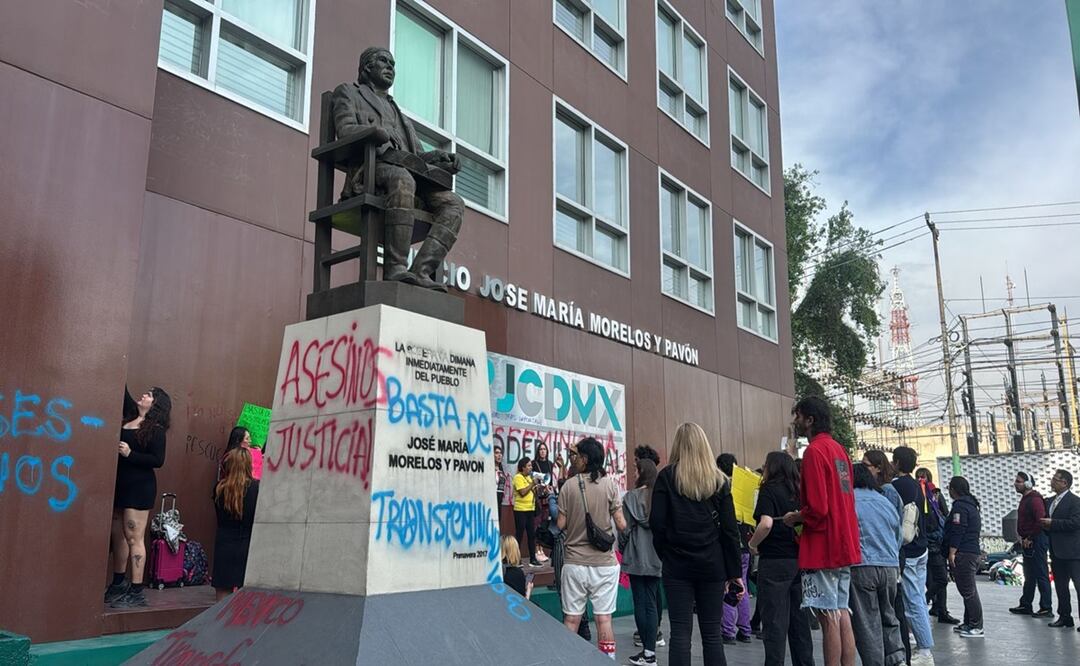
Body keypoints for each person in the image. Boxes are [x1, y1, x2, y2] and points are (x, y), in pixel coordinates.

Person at [331, 47, 463, 290]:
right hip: (371, 170)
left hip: (407, 174)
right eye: (384, 61)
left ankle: (420, 271)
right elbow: (345, 130)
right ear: (367, 67)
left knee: (454, 203)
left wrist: (440, 157)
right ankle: (395, 268)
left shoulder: (399, 113)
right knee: (403, 180)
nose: (391, 67)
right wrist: (376, 133)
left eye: (393, 64)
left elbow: (417, 156)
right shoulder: (349, 92)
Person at [651, 423, 742, 666]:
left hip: (677, 565)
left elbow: (657, 524)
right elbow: (730, 531)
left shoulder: (667, 477)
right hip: (712, 565)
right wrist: (734, 572)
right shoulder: (719, 482)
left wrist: (666, 555)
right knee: (712, 634)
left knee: (680, 633)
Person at [782, 397, 860, 666]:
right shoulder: (839, 450)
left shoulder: (815, 452)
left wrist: (795, 517)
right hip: (845, 542)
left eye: (799, 417)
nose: (796, 422)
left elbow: (818, 507)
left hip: (823, 545)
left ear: (810, 420)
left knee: (828, 617)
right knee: (841, 611)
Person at [557, 437, 626, 660]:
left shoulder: (568, 486)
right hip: (604, 565)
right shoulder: (609, 485)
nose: (572, 459)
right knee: (603, 618)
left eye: (575, 455)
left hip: (574, 563)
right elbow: (621, 523)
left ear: (585, 459)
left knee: (571, 619)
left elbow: (560, 525)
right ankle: (608, 661)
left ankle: (567, 661)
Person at [106, 386, 172, 609]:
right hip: (121, 485)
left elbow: (157, 460)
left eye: (150, 395)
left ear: (156, 405)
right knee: (119, 535)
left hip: (139, 488)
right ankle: (118, 582)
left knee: (134, 536)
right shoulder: (132, 416)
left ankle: (136, 590)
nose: (144, 395)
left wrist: (130, 454)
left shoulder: (156, 429)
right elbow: (123, 392)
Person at [748, 451, 813, 666]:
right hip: (798, 559)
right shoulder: (800, 491)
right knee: (799, 623)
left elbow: (766, 523)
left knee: (774, 623)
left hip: (774, 561)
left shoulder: (768, 490)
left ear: (772, 467)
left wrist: (753, 544)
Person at [849, 464, 905, 666]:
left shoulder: (849, 501)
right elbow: (898, 536)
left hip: (862, 566)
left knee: (868, 624)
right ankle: (896, 660)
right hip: (890, 566)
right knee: (890, 617)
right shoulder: (884, 501)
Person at [890, 446, 935, 665]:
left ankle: (925, 650)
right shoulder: (918, 486)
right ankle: (919, 641)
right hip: (921, 546)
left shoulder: (895, 487)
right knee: (917, 596)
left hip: (907, 550)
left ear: (896, 462)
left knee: (914, 600)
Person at [620, 458, 663, 666]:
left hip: (635, 553)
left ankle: (646, 651)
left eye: (636, 471)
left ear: (642, 472)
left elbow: (624, 529)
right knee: (652, 602)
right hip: (656, 553)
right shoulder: (659, 497)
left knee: (640, 602)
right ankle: (650, 651)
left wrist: (622, 547)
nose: (634, 474)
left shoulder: (630, 497)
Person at [212, 447, 260, 601]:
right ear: (248, 465)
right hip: (246, 543)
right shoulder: (256, 488)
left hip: (224, 543)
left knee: (222, 591)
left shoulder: (219, 488)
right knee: (244, 594)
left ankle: (219, 623)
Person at [717, 453, 752, 644]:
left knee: (728, 586)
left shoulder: (722, 487)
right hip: (745, 545)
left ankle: (728, 631)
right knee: (742, 586)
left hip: (728, 546)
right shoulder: (744, 489)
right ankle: (745, 629)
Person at [916, 467, 958, 625]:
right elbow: (945, 515)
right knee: (937, 578)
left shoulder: (931, 495)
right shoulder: (932, 495)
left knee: (936, 578)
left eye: (923, 477)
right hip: (933, 543)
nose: (921, 480)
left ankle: (938, 606)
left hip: (929, 542)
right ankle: (937, 606)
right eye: (919, 477)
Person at [1040, 469, 1080, 630]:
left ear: (1065, 483)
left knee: (1078, 586)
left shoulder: (1075, 501)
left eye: (1056, 479)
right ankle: (1064, 616)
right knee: (1061, 586)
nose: (1052, 482)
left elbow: (1075, 523)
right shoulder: (1049, 501)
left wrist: (1053, 523)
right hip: (1056, 551)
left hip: (1073, 552)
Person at [943, 475, 983, 638]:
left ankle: (976, 625)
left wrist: (952, 552)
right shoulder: (971, 505)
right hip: (971, 551)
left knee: (968, 590)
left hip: (964, 553)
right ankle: (968, 622)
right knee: (968, 588)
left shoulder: (960, 507)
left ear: (953, 490)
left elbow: (958, 529)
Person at [1009, 471, 1053, 617]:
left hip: (1036, 541)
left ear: (1028, 484)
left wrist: (1029, 537)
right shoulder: (1026, 499)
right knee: (1030, 575)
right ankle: (1026, 604)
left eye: (1019, 481)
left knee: (1041, 574)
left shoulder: (1034, 500)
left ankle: (1046, 607)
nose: (1015, 483)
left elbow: (1040, 521)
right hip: (1029, 541)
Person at [512, 457, 543, 567]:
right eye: (529, 466)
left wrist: (538, 487)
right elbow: (522, 492)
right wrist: (532, 484)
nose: (531, 468)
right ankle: (515, 559)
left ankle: (533, 559)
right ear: (523, 467)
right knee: (519, 535)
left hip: (530, 509)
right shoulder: (518, 477)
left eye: (531, 465)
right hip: (520, 510)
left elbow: (534, 493)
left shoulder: (530, 478)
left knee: (531, 535)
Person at [533, 441, 560, 561]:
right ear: (538, 451)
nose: (543, 451)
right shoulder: (534, 464)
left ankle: (542, 548)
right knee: (537, 522)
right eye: (541, 449)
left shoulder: (550, 464)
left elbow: (553, 479)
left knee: (545, 521)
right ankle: (536, 548)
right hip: (537, 496)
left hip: (547, 496)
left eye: (544, 449)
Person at [494, 444, 512, 509]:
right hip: (492, 498)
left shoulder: (501, 469)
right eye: (496, 453)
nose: (499, 455)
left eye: (500, 453)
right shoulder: (490, 469)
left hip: (500, 499)